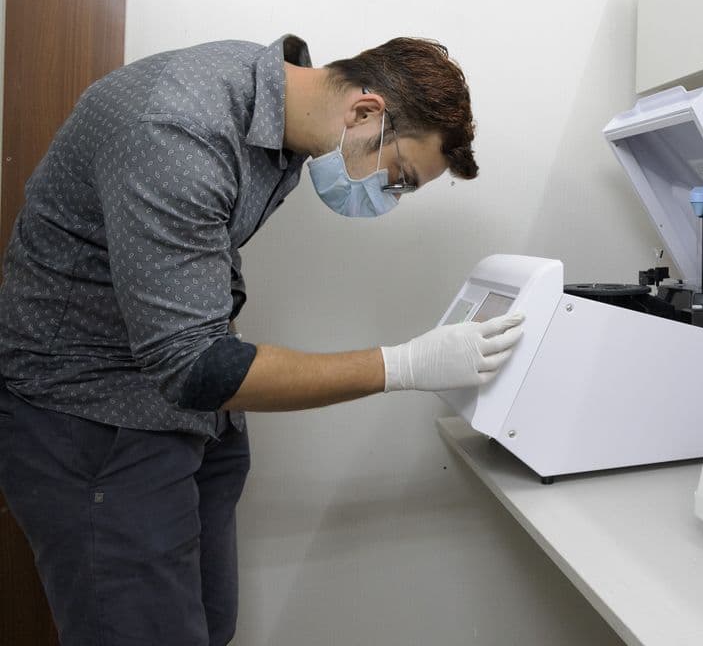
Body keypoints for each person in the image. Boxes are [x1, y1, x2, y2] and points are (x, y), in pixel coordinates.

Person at [0, 34, 524, 645]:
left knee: (208, 624)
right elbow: (193, 366)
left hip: (190, 413)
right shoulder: (179, 130)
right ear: (364, 113)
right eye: (400, 176)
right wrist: (402, 365)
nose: (389, 197)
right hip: (93, 418)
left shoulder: (277, 116)